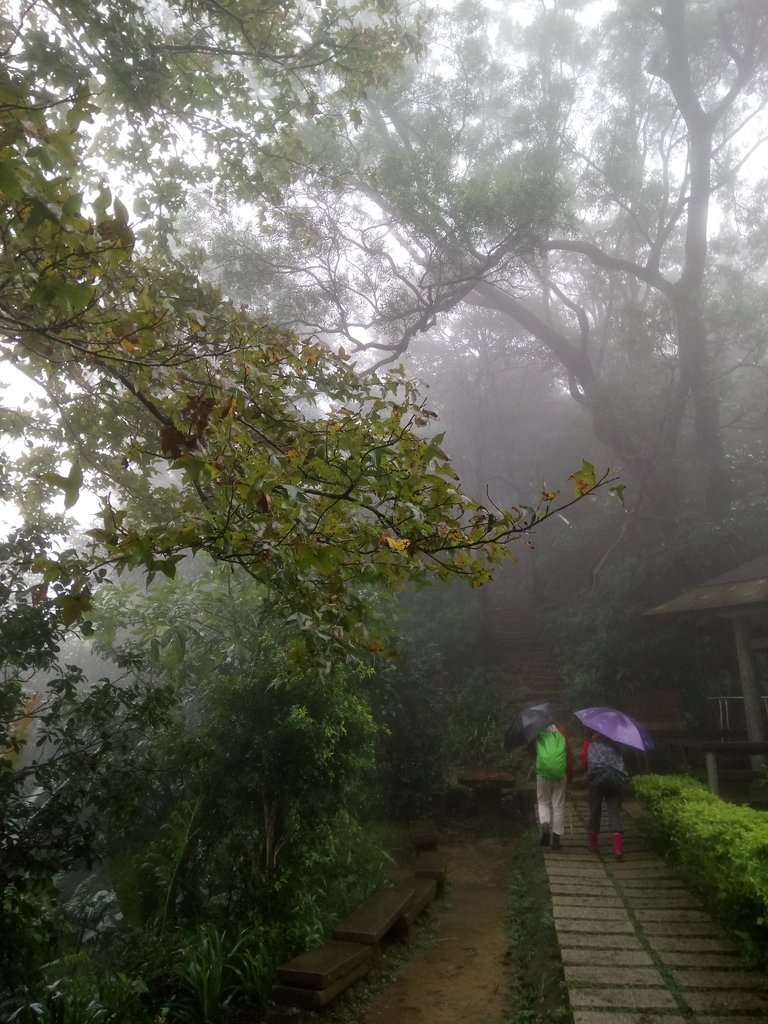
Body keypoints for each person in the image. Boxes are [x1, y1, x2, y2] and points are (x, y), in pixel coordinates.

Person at [580, 731, 629, 859]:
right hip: (614, 781)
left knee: (595, 811)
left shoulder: (591, 745)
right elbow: (621, 763)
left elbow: (585, 764)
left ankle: (593, 844)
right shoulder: (616, 745)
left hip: (596, 782)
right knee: (614, 813)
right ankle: (618, 849)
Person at [531, 723, 573, 850]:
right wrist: (569, 775)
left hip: (543, 774)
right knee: (558, 805)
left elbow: (533, 753)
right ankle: (556, 839)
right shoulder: (561, 733)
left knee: (543, 802)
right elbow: (568, 756)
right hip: (560, 774)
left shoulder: (536, 733)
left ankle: (544, 825)